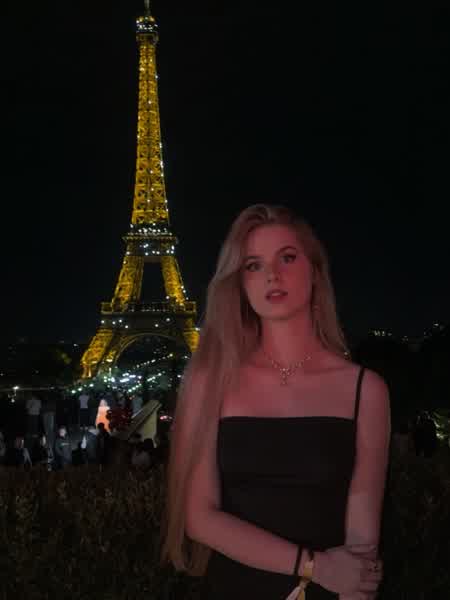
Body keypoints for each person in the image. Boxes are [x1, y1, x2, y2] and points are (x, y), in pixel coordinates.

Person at [160, 204, 391, 599]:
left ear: (315, 271)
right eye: (253, 265)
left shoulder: (365, 390)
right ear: (240, 283)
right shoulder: (209, 382)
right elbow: (199, 518)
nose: (272, 275)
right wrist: (314, 566)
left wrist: (349, 585)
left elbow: (361, 540)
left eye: (287, 257)